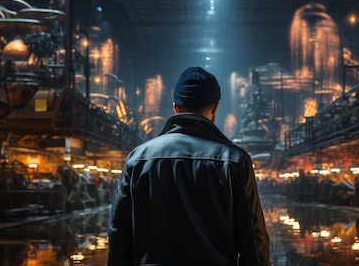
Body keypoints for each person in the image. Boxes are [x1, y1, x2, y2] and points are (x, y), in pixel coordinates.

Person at [107, 66, 271, 266]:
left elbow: (119, 234)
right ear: (214, 108)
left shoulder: (137, 159)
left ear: (176, 107)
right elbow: (253, 239)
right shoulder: (233, 160)